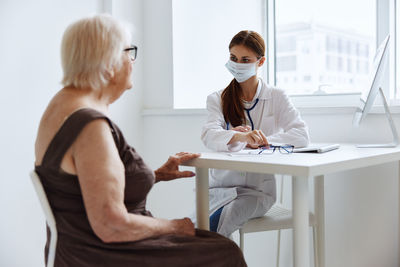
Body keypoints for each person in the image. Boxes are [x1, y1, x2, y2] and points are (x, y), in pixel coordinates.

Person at [34, 14, 246, 267]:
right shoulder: (90, 126)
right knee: (224, 250)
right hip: (103, 254)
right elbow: (111, 225)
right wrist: (174, 226)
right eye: (129, 52)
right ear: (108, 64)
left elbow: (83, 187)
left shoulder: (62, 105)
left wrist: (154, 175)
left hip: (77, 249)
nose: (132, 62)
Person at [201, 30, 310, 238]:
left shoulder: (276, 96)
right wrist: (239, 137)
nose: (237, 64)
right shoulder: (217, 99)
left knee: (223, 220)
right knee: (194, 228)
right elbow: (209, 134)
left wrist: (262, 141)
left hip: (257, 192)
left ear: (260, 62)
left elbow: (301, 134)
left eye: (245, 59)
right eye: (233, 58)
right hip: (220, 189)